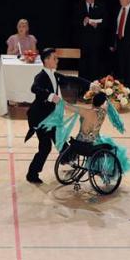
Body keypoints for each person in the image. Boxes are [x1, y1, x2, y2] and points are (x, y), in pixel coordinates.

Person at [24, 48, 90, 184]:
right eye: (54, 58)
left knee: (60, 140)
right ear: (47, 60)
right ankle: (32, 174)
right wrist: (49, 96)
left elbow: (71, 79)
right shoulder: (41, 76)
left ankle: (68, 159)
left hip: (50, 118)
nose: (57, 60)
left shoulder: (54, 75)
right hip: (40, 119)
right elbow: (34, 88)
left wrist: (90, 84)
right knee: (45, 147)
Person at [39, 92, 130, 174]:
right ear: (103, 104)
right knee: (112, 146)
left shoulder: (85, 112)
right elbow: (112, 111)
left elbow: (68, 106)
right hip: (93, 144)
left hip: (79, 143)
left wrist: (59, 101)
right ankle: (102, 171)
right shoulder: (103, 112)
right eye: (106, 102)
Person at [74, 0, 107, 80]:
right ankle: (82, 88)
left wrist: (97, 25)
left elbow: (106, 22)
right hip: (82, 43)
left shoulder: (101, 6)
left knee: (95, 67)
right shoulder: (78, 6)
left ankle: (94, 89)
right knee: (83, 66)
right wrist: (83, 22)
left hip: (96, 43)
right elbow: (73, 23)